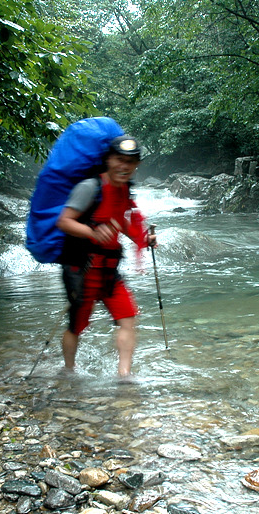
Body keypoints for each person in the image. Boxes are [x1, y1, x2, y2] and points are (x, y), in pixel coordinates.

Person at [55, 135, 156, 382]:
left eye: (130, 162)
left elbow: (122, 222)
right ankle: (69, 371)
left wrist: (144, 240)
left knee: (128, 318)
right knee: (76, 327)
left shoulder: (123, 191)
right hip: (82, 268)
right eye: (119, 160)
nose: (124, 166)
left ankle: (124, 376)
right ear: (108, 160)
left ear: (137, 165)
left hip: (109, 272)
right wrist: (92, 232)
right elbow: (64, 221)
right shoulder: (90, 187)